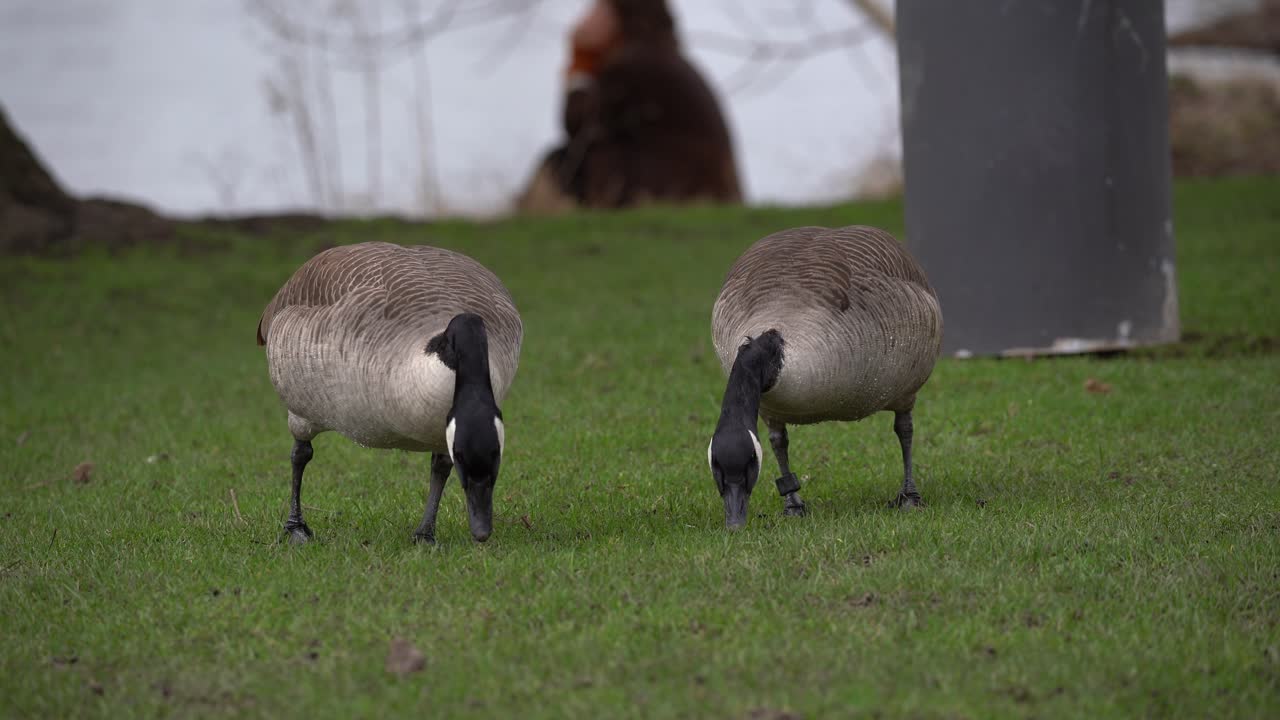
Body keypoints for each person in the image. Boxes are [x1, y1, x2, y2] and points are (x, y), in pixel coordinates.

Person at [517, 0, 742, 211]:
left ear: (622, 13)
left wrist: (580, 65)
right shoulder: (657, 58)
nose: (585, 19)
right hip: (705, 196)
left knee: (560, 164)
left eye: (598, 9)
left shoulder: (633, 64)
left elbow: (578, 126)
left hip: (677, 198)